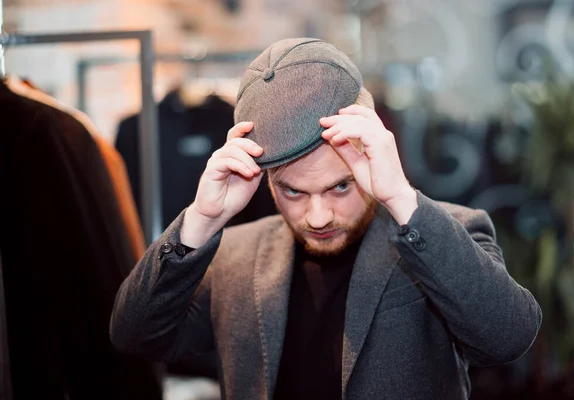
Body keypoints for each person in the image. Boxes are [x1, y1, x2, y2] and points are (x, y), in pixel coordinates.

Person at [110, 38, 542, 400]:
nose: (317, 217)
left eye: (340, 186)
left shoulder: (449, 231)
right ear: (265, 181)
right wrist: (201, 220)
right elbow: (135, 336)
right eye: (293, 191)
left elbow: (507, 338)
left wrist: (400, 197)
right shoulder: (235, 258)